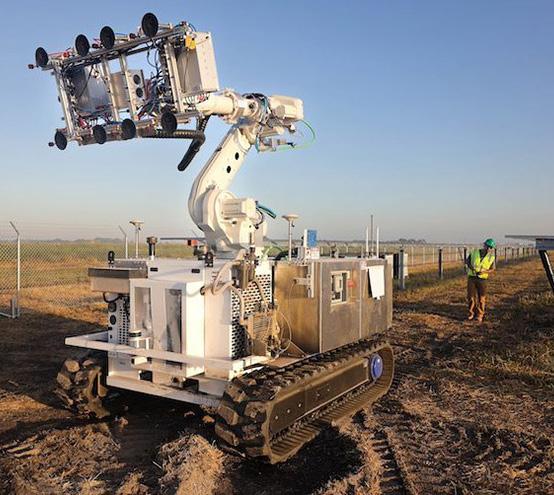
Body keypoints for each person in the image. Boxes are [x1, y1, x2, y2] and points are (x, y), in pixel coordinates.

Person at [466, 238, 496, 323]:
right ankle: (471, 313)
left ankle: (480, 315)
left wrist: (484, 272)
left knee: (481, 298)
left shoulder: (491, 257)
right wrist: (472, 268)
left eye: (491, 247)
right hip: (472, 277)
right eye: (488, 246)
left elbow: (493, 269)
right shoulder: (474, 252)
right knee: (471, 297)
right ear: (484, 245)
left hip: (482, 279)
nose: (489, 249)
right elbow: (467, 261)